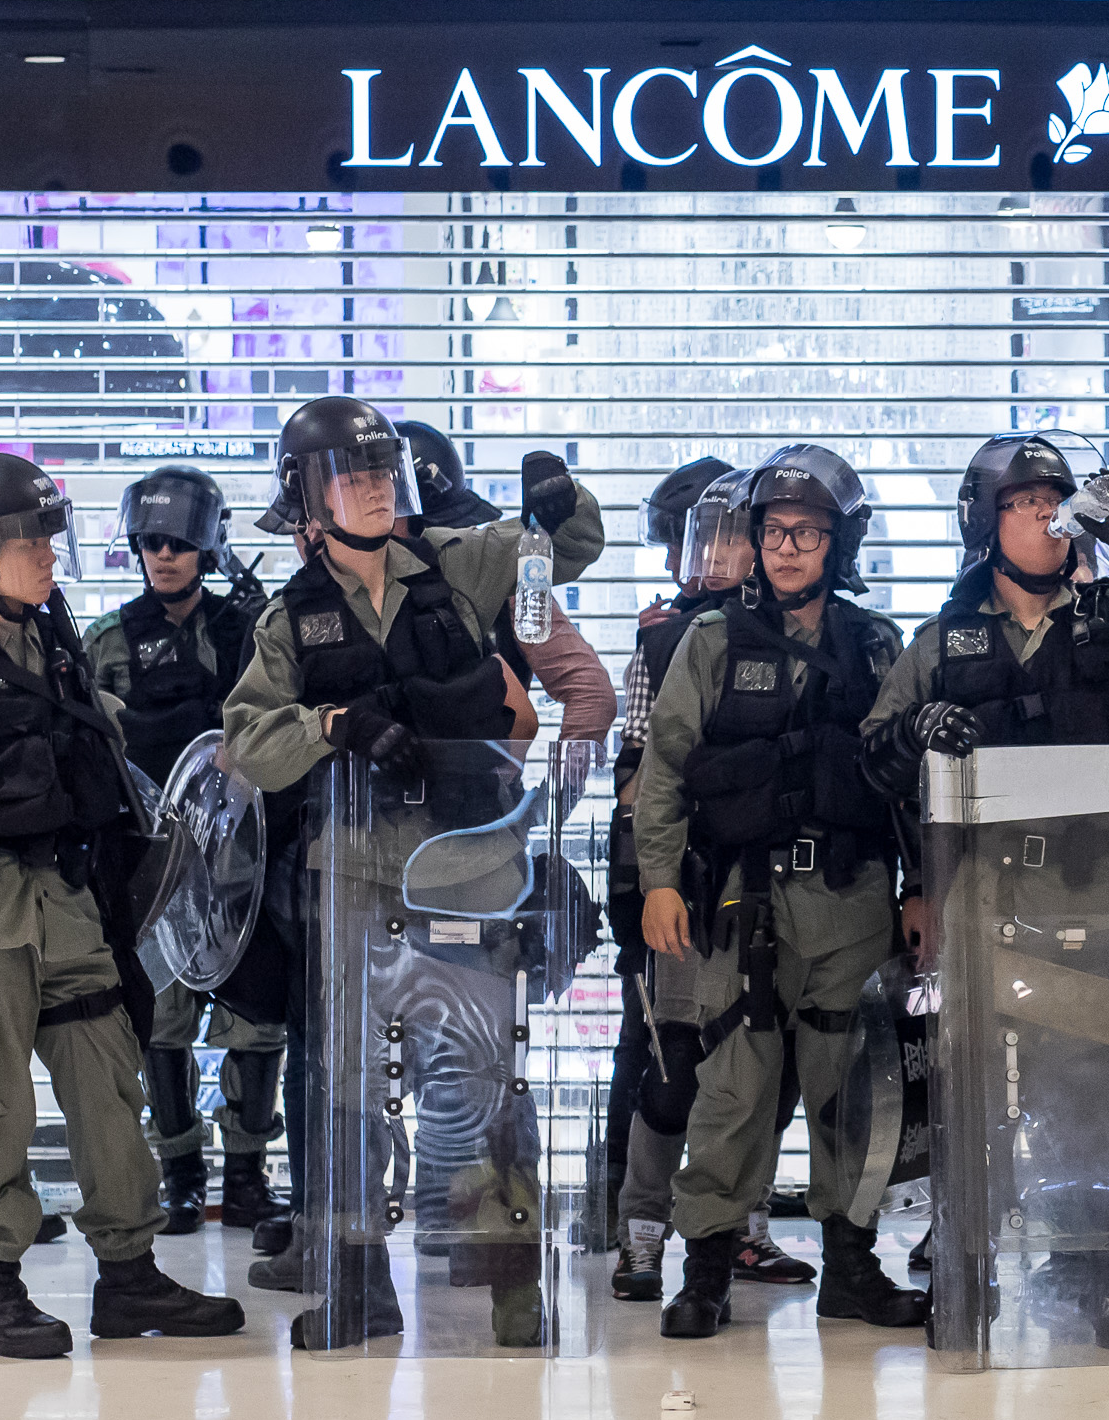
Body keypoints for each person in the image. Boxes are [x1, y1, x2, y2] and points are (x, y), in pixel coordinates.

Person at [222, 397, 603, 1348]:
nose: (377, 487)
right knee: (349, 1086)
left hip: (469, 866)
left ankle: (516, 1287)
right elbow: (245, 742)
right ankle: (359, 1288)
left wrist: (558, 504)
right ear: (307, 497)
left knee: (483, 1077)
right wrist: (329, 726)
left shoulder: (455, 565)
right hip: (354, 878)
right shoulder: (286, 621)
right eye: (353, 475)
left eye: (383, 470)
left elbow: (557, 556)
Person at [869, 434, 1109, 1345]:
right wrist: (919, 725)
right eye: (1023, 502)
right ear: (984, 521)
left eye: (1056, 500)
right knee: (980, 1088)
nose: (1045, 516)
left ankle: (1106, 1256)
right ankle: (970, 1265)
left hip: (1106, 888)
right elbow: (872, 754)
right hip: (989, 896)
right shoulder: (942, 638)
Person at [0, 456, 243, 1357]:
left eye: (49, 536)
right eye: (27, 539)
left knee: (112, 1092)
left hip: (70, 911)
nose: (47, 555)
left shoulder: (59, 648)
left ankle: (129, 1273)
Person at [630, 445, 918, 1342]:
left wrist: (924, 891)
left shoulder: (876, 645)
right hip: (739, 903)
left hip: (851, 897)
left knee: (848, 1091)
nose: (788, 548)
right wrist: (660, 883)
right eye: (774, 530)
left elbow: (908, 782)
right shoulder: (710, 640)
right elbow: (665, 769)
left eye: (808, 532)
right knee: (733, 1091)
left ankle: (851, 1267)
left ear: (841, 542)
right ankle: (706, 1269)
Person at [85, 465, 287, 1238]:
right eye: (148, 543)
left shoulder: (253, 629)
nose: (162, 556)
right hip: (158, 866)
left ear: (208, 547)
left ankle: (245, 1175)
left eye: (177, 543)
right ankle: (179, 1176)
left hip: (244, 858)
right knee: (163, 1022)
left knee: (255, 1022)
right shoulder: (110, 642)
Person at [604, 456, 744, 1304]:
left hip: (760, 883)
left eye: (731, 537)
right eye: (698, 541)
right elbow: (633, 775)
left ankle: (741, 1224)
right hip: (676, 879)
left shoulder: (796, 632)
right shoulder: (664, 634)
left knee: (757, 1063)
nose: (705, 557)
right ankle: (641, 1231)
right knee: (668, 1063)